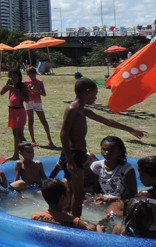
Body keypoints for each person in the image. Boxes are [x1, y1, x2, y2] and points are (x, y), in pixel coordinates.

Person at [59, 78, 145, 217]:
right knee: (78, 193)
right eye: (95, 93)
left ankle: (69, 218)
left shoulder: (83, 110)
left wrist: (130, 129)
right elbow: (63, 134)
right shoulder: (72, 109)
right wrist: (69, 159)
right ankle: (75, 222)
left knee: (74, 191)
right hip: (73, 155)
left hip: (78, 154)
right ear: (87, 92)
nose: (96, 97)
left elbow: (107, 121)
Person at [31, 179, 100, 231]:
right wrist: (99, 227)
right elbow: (90, 232)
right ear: (62, 198)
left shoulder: (35, 216)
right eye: (68, 193)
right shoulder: (75, 222)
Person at [89, 136, 137, 204]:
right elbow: (96, 189)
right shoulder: (96, 166)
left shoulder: (127, 169)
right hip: (104, 199)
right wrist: (99, 197)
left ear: (120, 152)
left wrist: (110, 199)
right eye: (104, 149)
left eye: (111, 150)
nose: (107, 152)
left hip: (121, 201)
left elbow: (133, 194)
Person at [0, 68, 29, 161]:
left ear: (19, 77)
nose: (13, 79)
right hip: (12, 111)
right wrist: (7, 84)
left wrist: (16, 90)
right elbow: (1, 93)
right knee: (15, 134)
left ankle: (28, 154)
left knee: (20, 135)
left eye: (15, 77)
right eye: (11, 77)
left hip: (19, 111)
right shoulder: (11, 85)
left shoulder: (22, 86)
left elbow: (27, 99)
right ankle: (16, 154)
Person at [24, 67, 55, 147]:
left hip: (38, 102)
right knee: (31, 121)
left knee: (43, 121)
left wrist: (38, 91)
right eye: (30, 76)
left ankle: (49, 139)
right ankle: (33, 140)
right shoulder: (26, 82)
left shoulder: (40, 82)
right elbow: (24, 94)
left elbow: (44, 94)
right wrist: (28, 89)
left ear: (35, 74)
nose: (32, 77)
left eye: (33, 75)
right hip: (29, 102)